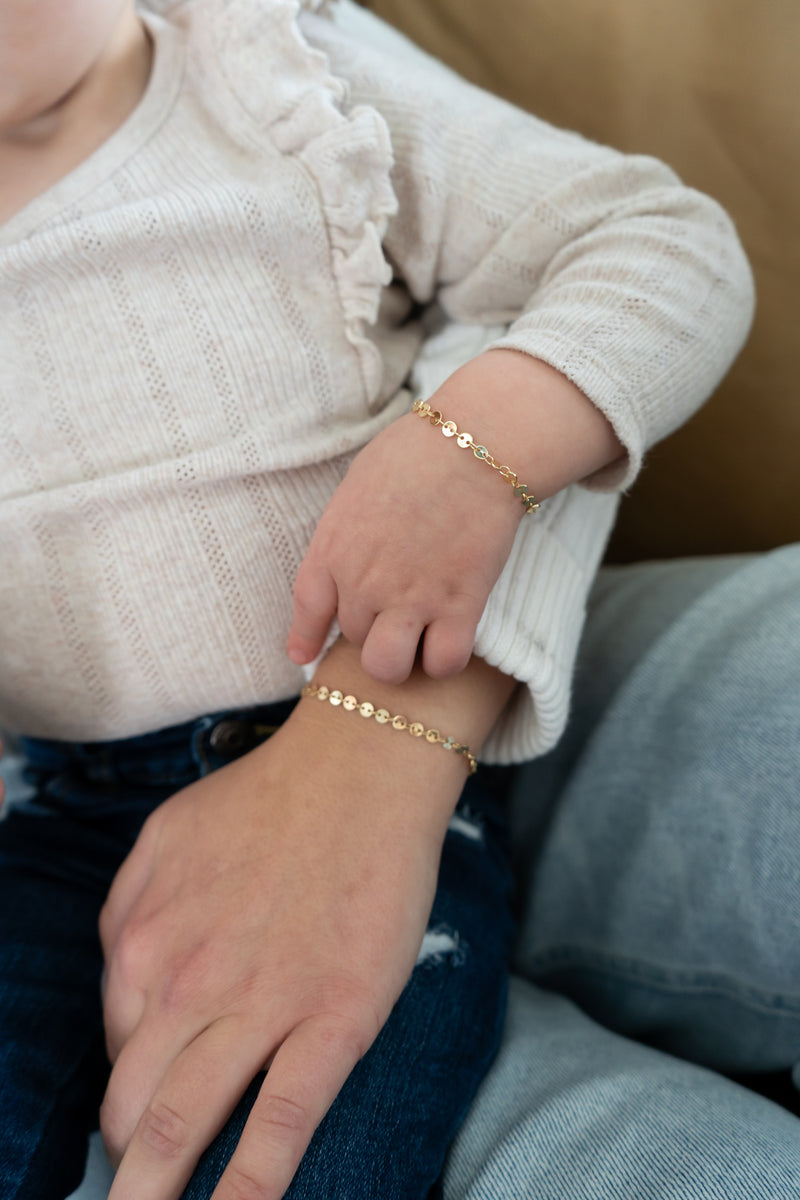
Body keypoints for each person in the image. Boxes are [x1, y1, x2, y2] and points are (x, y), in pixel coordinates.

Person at [0, 0, 754, 1197]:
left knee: (293, 1152)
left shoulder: (273, 70)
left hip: (385, 714)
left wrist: (470, 449)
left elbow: (654, 240)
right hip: (51, 814)